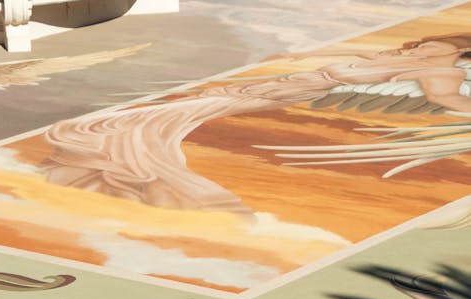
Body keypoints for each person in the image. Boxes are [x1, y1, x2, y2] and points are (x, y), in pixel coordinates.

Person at [43, 34, 471, 211]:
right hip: (268, 84)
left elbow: (446, 98)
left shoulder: (443, 71)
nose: (424, 42)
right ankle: (115, 173)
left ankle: (162, 188)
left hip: (277, 93)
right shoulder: (409, 56)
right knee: (140, 124)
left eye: (437, 42)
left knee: (141, 128)